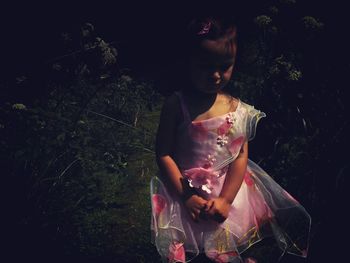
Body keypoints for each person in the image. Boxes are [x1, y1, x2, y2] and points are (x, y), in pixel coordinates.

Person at [150, 14, 311, 263]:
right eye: (205, 66)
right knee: (189, 251)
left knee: (224, 245)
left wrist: (226, 199)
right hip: (183, 190)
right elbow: (163, 153)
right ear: (188, 62)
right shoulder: (176, 104)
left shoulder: (238, 109)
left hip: (228, 192)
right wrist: (187, 196)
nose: (216, 75)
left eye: (225, 66)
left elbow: (240, 156)